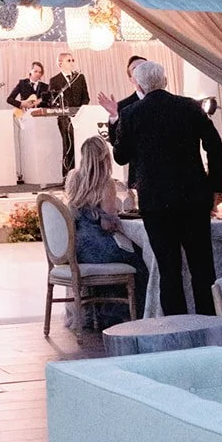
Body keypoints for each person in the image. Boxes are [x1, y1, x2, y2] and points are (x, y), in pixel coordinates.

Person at [106, 59, 222, 315]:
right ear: (166, 81)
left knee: (169, 270)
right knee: (202, 268)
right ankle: (210, 324)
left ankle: (177, 329)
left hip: (156, 201)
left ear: (138, 84)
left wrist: (115, 123)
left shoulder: (132, 113)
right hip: (194, 197)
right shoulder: (190, 107)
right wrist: (214, 187)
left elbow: (120, 156)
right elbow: (215, 146)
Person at [65, 136, 148, 323]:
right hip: (98, 246)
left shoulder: (74, 178)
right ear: (105, 157)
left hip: (79, 248)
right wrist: (119, 217)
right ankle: (137, 315)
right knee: (142, 259)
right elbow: (107, 223)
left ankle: (102, 311)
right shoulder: (106, 183)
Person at [49, 51, 90, 176]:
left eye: (73, 60)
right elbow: (52, 100)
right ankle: (67, 175)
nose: (72, 63)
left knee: (80, 145)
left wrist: (80, 111)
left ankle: (81, 174)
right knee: (68, 145)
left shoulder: (79, 77)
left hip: (79, 117)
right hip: (64, 118)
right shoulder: (55, 80)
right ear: (60, 63)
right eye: (68, 60)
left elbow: (86, 97)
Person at [100, 55, 146, 151]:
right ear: (131, 79)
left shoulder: (167, 100)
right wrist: (114, 115)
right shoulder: (123, 106)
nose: (140, 71)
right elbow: (116, 142)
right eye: (135, 69)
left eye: (144, 66)